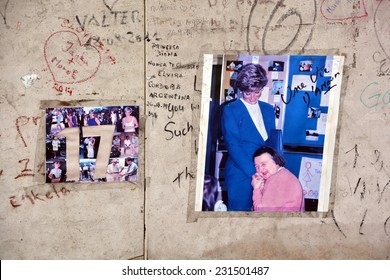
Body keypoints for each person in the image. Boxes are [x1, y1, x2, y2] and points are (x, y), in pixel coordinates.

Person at [221, 63, 276, 211]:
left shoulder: (268, 109)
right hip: (241, 173)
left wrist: (273, 170)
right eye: (247, 93)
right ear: (240, 90)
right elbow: (234, 147)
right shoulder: (231, 110)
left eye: (257, 92)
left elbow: (271, 142)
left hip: (266, 173)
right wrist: (256, 174)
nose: (252, 97)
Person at [251, 146, 304, 212]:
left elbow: (261, 212)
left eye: (263, 164)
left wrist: (256, 189)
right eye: (257, 166)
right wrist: (261, 188)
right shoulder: (283, 174)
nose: (260, 170)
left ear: (276, 161)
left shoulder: (276, 180)